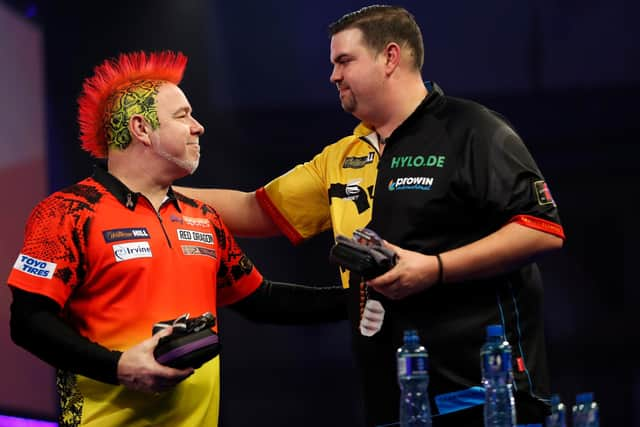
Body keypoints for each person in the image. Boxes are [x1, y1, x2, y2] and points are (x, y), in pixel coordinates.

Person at [177, 5, 566, 427]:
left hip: (486, 394)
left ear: (390, 58)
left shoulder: (473, 129)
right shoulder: (343, 155)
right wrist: (154, 192)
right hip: (395, 400)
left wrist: (433, 269)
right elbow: (256, 210)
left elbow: (541, 230)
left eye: (344, 61)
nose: (333, 76)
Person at [6, 50, 347, 427]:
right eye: (183, 116)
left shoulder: (202, 217)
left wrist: (362, 297)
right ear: (141, 128)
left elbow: (262, 301)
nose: (198, 127)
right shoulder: (68, 212)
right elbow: (28, 321)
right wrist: (117, 367)